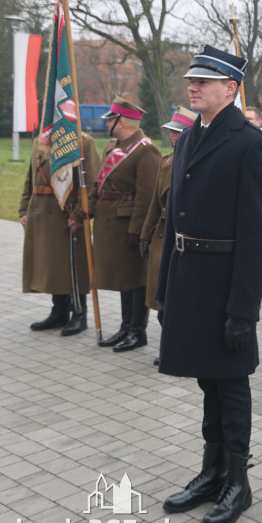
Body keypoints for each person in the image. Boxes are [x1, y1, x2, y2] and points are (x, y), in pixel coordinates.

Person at [156, 45, 262, 523]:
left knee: (230, 384)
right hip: (191, 281)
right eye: (192, 79)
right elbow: (173, 222)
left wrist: (243, 309)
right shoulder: (188, 138)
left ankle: (238, 482)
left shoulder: (253, 143)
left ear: (230, 89)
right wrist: (165, 286)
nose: (193, 86)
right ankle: (211, 472)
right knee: (208, 379)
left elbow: (259, 233)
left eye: (204, 80)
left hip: (226, 286)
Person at [94, 96, 162, 352]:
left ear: (121, 122)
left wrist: (138, 230)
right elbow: (101, 184)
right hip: (111, 225)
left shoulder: (146, 151)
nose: (107, 123)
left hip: (129, 227)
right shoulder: (113, 147)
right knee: (124, 279)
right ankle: (125, 327)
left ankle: (137, 331)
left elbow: (147, 196)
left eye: (110, 119)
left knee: (136, 280)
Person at [20, 127, 100, 336]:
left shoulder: (83, 142)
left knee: (73, 265)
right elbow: (31, 177)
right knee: (53, 264)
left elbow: (92, 182)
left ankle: (79, 314)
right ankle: (59, 311)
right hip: (42, 212)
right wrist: (24, 208)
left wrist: (80, 214)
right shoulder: (41, 139)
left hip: (67, 214)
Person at [140, 106, 195, 365]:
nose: (173, 137)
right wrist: (144, 233)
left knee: (178, 302)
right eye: (171, 132)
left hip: (184, 237)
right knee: (160, 301)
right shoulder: (166, 161)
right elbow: (154, 202)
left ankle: (180, 348)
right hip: (162, 234)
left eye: (177, 132)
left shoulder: (195, 161)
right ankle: (169, 346)